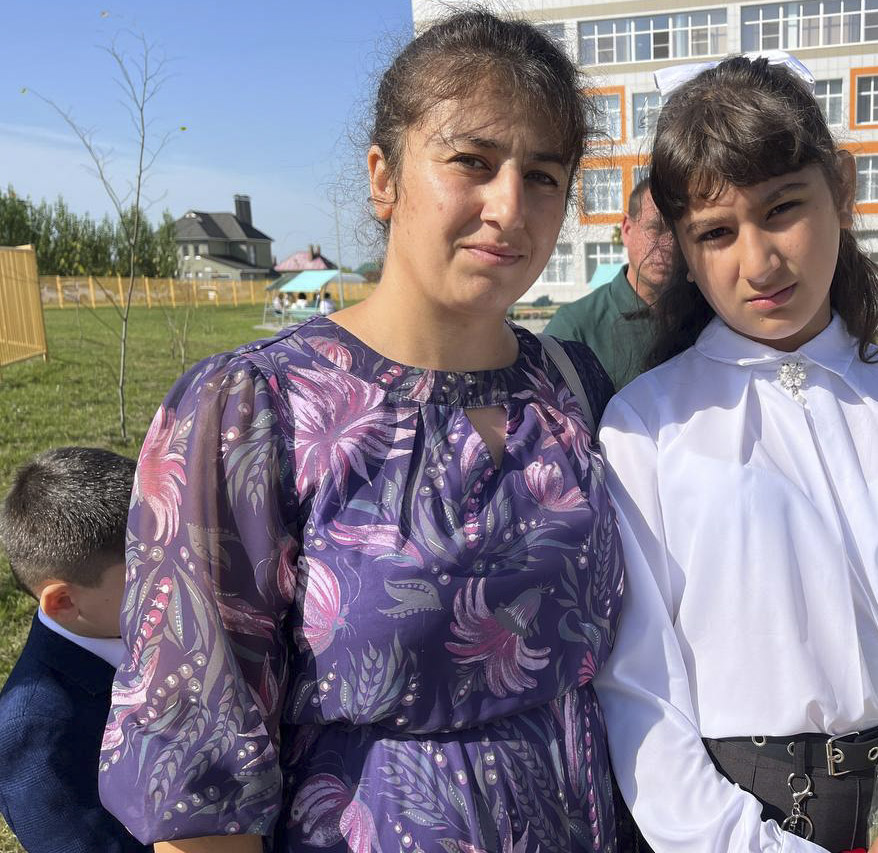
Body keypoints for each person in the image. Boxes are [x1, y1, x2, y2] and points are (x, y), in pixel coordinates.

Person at [99, 11, 623, 852]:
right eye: (472, 161)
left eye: (543, 176)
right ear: (384, 177)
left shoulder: (573, 389)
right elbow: (197, 771)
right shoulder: (254, 409)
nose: (509, 206)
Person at [594, 55, 878, 853]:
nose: (758, 261)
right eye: (716, 232)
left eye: (782, 208)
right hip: (735, 827)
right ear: (681, 245)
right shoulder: (645, 429)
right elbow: (640, 695)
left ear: (842, 188)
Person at [0, 447, 149, 853]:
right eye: (144, 573)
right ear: (63, 602)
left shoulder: (128, 623)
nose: (172, 581)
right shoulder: (37, 732)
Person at [546, 178, 672, 389]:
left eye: (678, 232)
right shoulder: (574, 329)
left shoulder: (706, 316)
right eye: (656, 228)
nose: (668, 244)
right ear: (627, 230)